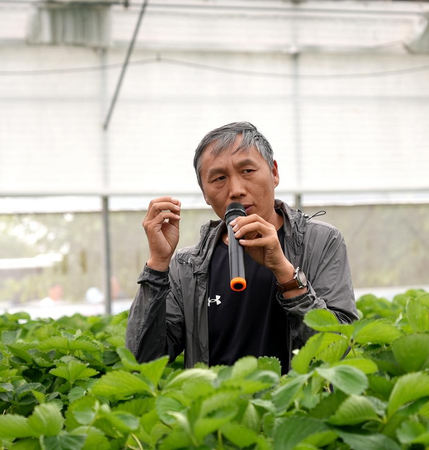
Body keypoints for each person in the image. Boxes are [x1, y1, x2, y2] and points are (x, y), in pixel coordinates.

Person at [126, 122, 358, 373]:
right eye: (219, 178)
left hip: (292, 408)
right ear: (204, 193)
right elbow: (143, 361)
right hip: (218, 409)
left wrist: (285, 274)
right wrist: (158, 264)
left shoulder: (321, 242)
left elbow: (338, 346)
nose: (236, 190)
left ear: (274, 172)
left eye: (247, 170)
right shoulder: (186, 267)